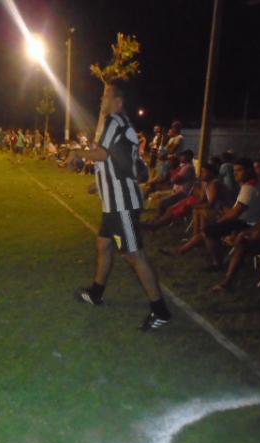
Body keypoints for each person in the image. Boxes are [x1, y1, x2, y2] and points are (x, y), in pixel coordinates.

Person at [66, 83, 172, 331]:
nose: (101, 99)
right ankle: (96, 293)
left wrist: (75, 152)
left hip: (122, 203)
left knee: (134, 255)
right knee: (103, 244)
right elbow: (117, 161)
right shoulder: (119, 123)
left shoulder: (114, 120)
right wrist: (98, 184)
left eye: (105, 95)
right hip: (114, 202)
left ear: (118, 101)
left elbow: (102, 155)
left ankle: (160, 311)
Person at [202, 158, 260, 271]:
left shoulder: (249, 187)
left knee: (209, 230)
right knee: (211, 218)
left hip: (249, 224)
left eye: (239, 170)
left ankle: (217, 263)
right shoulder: (256, 182)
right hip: (252, 220)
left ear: (249, 170)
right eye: (234, 171)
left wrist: (220, 221)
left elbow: (236, 213)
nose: (235, 173)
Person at [157, 149, 197, 215]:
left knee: (162, 202)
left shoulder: (188, 167)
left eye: (183, 155)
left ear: (189, 156)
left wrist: (173, 175)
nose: (180, 157)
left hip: (182, 193)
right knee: (158, 195)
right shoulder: (184, 166)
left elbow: (174, 180)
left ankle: (160, 220)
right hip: (176, 191)